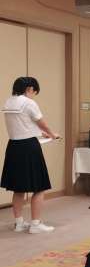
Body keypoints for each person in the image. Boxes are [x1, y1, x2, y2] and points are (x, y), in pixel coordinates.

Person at [1, 76, 59, 233]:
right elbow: (41, 122)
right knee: (39, 187)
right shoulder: (28, 102)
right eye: (34, 91)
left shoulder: (9, 102)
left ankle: (19, 223)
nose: (34, 95)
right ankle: (35, 224)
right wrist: (51, 134)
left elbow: (22, 124)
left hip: (14, 147)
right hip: (29, 148)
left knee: (18, 188)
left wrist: (40, 133)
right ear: (30, 89)